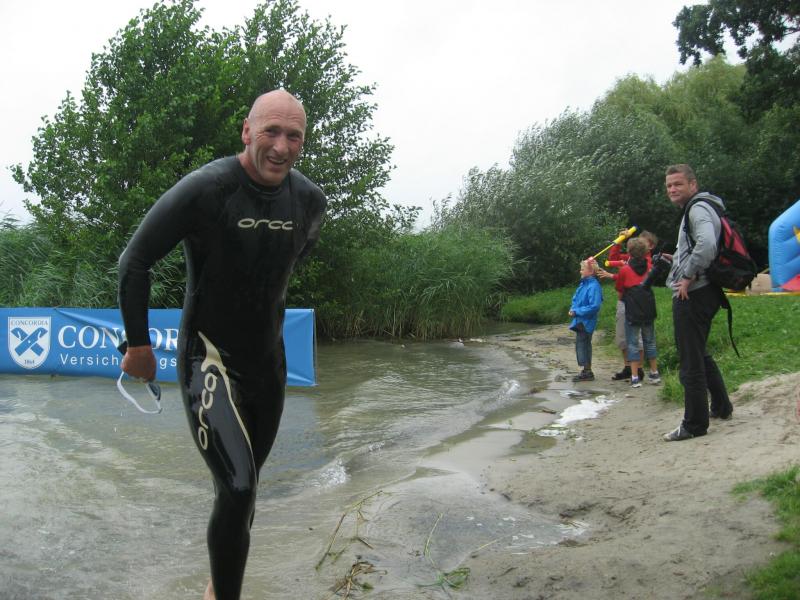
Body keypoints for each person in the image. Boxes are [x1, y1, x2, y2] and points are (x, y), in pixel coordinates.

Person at [117, 89, 327, 599]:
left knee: (244, 490)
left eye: (294, 135)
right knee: (237, 486)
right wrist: (139, 346)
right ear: (247, 131)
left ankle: (216, 587)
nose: (281, 146)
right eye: (271, 131)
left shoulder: (310, 201)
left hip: (268, 366)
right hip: (207, 358)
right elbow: (134, 262)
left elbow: (282, 266)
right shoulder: (207, 189)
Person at [662, 163, 732, 442]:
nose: (672, 189)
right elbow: (699, 246)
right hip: (706, 290)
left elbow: (707, 245)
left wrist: (687, 275)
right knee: (698, 352)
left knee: (690, 361)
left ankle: (694, 424)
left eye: (678, 184)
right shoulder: (703, 207)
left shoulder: (697, 208)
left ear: (693, 184)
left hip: (694, 293)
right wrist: (677, 260)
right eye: (669, 185)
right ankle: (722, 406)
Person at [598, 238, 661, 387]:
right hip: (648, 309)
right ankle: (654, 373)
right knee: (650, 341)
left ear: (629, 252)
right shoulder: (650, 266)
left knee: (632, 342)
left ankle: (634, 377)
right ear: (645, 251)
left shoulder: (625, 269)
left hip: (631, 310)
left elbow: (620, 289)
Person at [568, 257, 603, 382]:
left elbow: (595, 306)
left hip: (587, 321)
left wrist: (577, 311)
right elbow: (576, 298)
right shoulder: (583, 284)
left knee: (584, 344)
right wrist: (573, 309)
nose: (580, 271)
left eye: (582, 269)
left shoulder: (594, 286)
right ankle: (586, 370)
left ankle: (587, 371)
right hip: (580, 320)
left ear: (591, 271)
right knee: (581, 344)